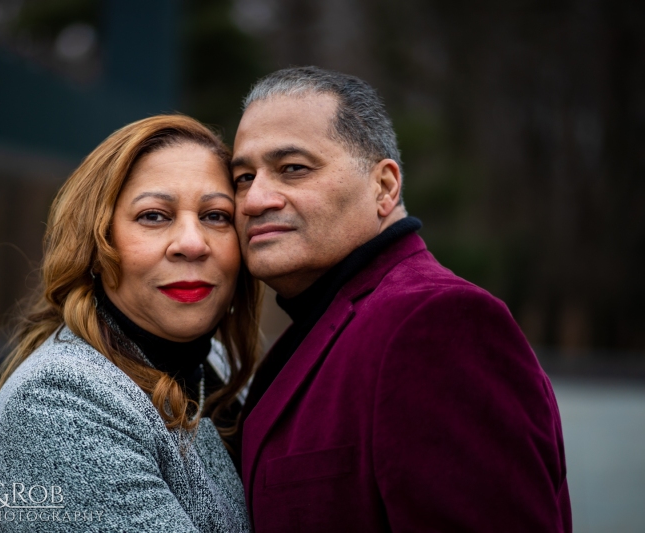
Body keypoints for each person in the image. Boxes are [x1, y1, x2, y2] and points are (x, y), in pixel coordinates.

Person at [232, 66, 571, 532]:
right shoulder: (318, 326)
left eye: (293, 168)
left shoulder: (438, 324)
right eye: (243, 177)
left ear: (385, 187)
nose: (254, 200)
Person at [0, 115, 261, 532]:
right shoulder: (58, 404)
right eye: (155, 216)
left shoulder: (218, 367)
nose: (193, 244)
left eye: (216, 216)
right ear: (96, 244)